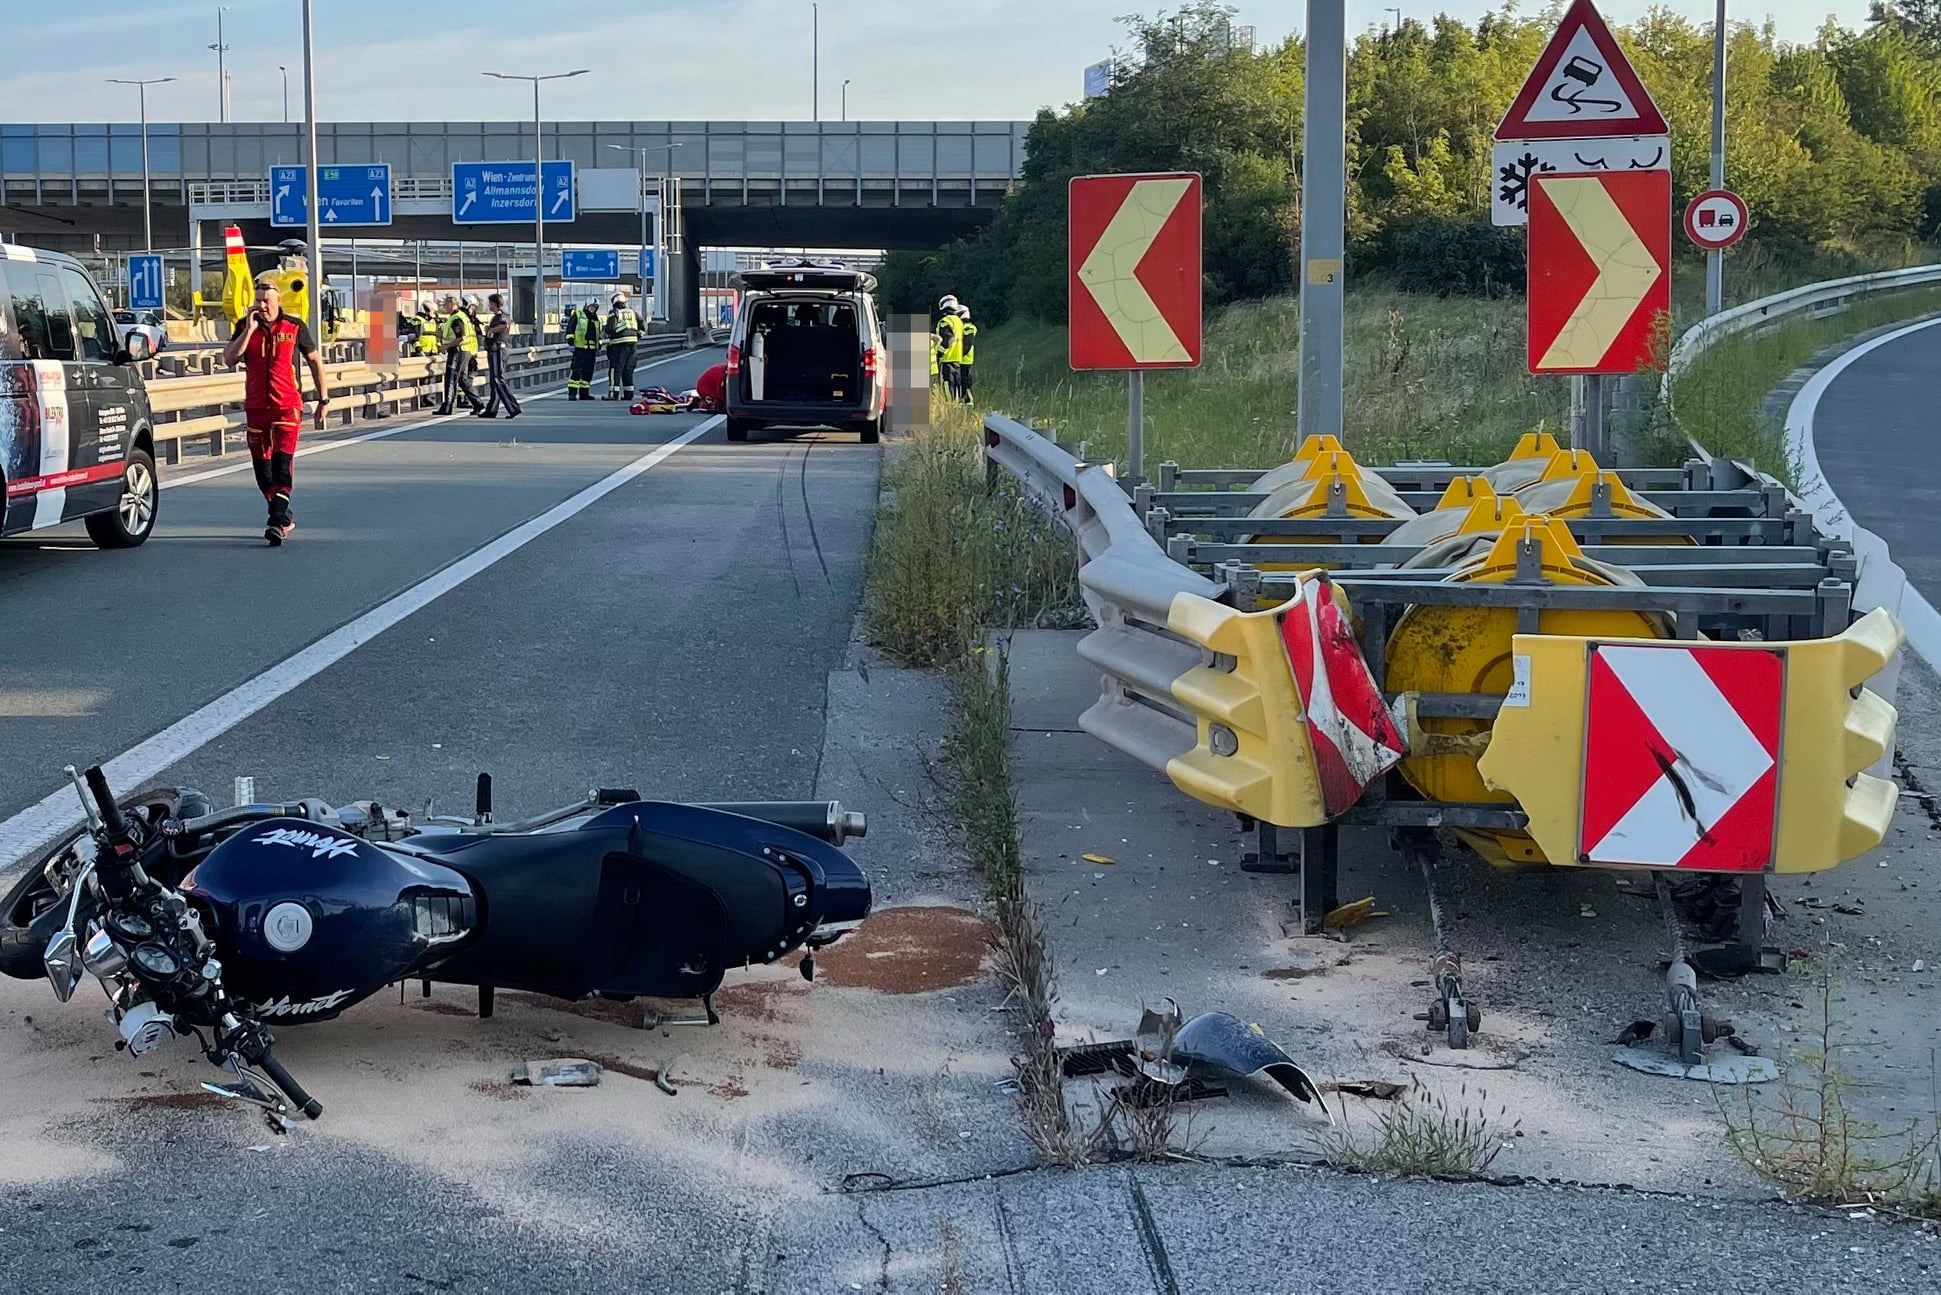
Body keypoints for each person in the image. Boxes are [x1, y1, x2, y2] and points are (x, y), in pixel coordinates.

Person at [222, 275, 330, 545]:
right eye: (258, 300)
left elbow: (315, 361)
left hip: (287, 406)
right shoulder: (244, 326)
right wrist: (249, 330)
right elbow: (229, 358)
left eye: (266, 300)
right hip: (256, 406)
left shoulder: (294, 326)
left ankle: (276, 522)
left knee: (282, 464)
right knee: (263, 469)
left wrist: (323, 399)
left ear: (278, 300)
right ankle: (283, 515)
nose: (261, 305)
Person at [436, 294, 484, 415]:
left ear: (452, 304)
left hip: (458, 351)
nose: (444, 307)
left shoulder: (457, 318)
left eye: (446, 304)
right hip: (464, 351)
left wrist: (446, 346)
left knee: (451, 378)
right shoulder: (461, 316)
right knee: (462, 379)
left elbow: (460, 337)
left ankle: (447, 406)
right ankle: (478, 403)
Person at [477, 292, 522, 420]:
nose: (489, 306)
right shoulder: (499, 316)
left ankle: (513, 407)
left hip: (497, 349)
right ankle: (491, 410)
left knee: (497, 379)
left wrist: (491, 330)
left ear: (495, 304)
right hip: (496, 349)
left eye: (490, 303)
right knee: (494, 381)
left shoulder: (501, 316)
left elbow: (503, 325)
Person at [604, 291, 641, 401]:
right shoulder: (633, 312)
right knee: (628, 369)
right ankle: (628, 393)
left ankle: (613, 394)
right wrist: (637, 336)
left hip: (618, 344)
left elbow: (611, 328)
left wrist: (607, 333)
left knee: (615, 369)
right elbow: (642, 325)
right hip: (632, 344)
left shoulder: (614, 312)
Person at [569, 300, 603, 400]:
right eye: (592, 306)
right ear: (587, 306)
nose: (593, 309)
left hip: (591, 350)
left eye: (595, 307)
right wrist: (570, 343)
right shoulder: (578, 315)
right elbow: (570, 329)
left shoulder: (596, 319)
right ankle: (572, 393)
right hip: (580, 348)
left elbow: (599, 334)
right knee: (577, 370)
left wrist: (599, 346)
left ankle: (584, 393)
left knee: (588, 371)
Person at [935, 294, 965, 402]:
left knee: (948, 386)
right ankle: (956, 406)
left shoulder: (944, 321)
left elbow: (947, 339)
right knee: (957, 385)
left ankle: (949, 407)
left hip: (947, 359)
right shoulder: (959, 321)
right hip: (957, 359)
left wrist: (940, 353)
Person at [955, 304, 977, 404]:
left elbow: (967, 344)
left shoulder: (968, 327)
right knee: (959, 382)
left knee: (965, 381)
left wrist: (959, 356)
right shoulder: (961, 327)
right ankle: (962, 400)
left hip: (964, 360)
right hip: (960, 359)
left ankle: (967, 400)